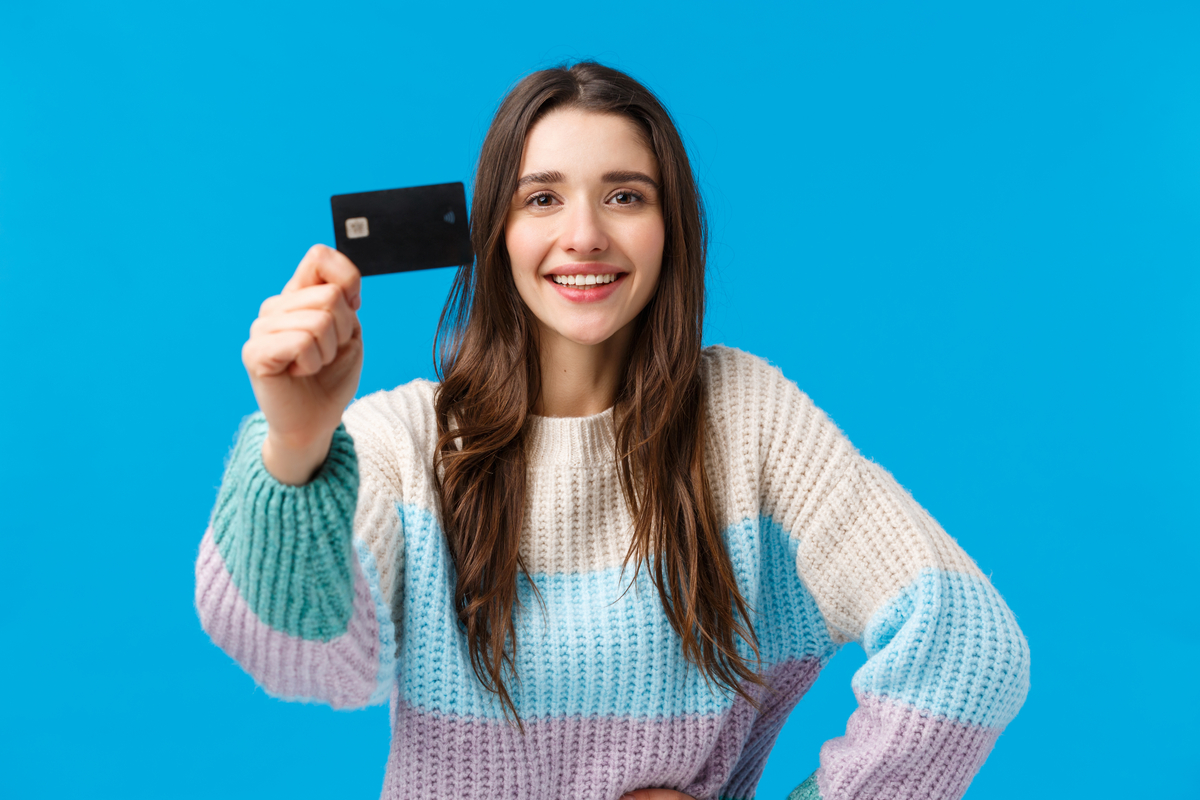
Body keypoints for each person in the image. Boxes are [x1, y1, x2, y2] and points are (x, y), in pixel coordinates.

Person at [195, 62, 1030, 800]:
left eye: (625, 195)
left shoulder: (746, 419)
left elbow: (969, 647)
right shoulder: (410, 440)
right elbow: (297, 655)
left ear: (672, 230)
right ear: (498, 231)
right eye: (543, 197)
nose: (584, 233)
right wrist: (296, 446)